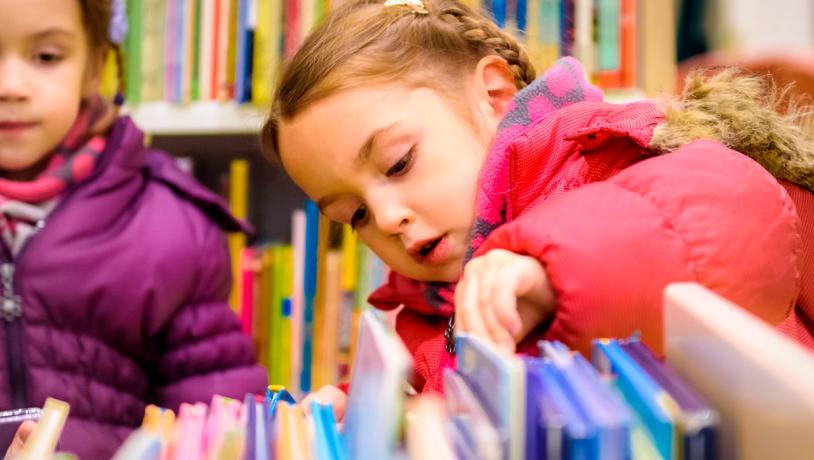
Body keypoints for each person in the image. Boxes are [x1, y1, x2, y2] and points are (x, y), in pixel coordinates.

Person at [265, 0, 810, 412]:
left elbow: (730, 210)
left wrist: (551, 267)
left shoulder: (607, 152)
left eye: (399, 163)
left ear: (494, 97)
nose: (386, 219)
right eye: (353, 215)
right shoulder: (429, 309)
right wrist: (367, 410)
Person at [0, 0, 267, 458]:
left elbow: (213, 420)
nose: (10, 86)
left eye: (46, 56)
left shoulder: (172, 226)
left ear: (95, 66)